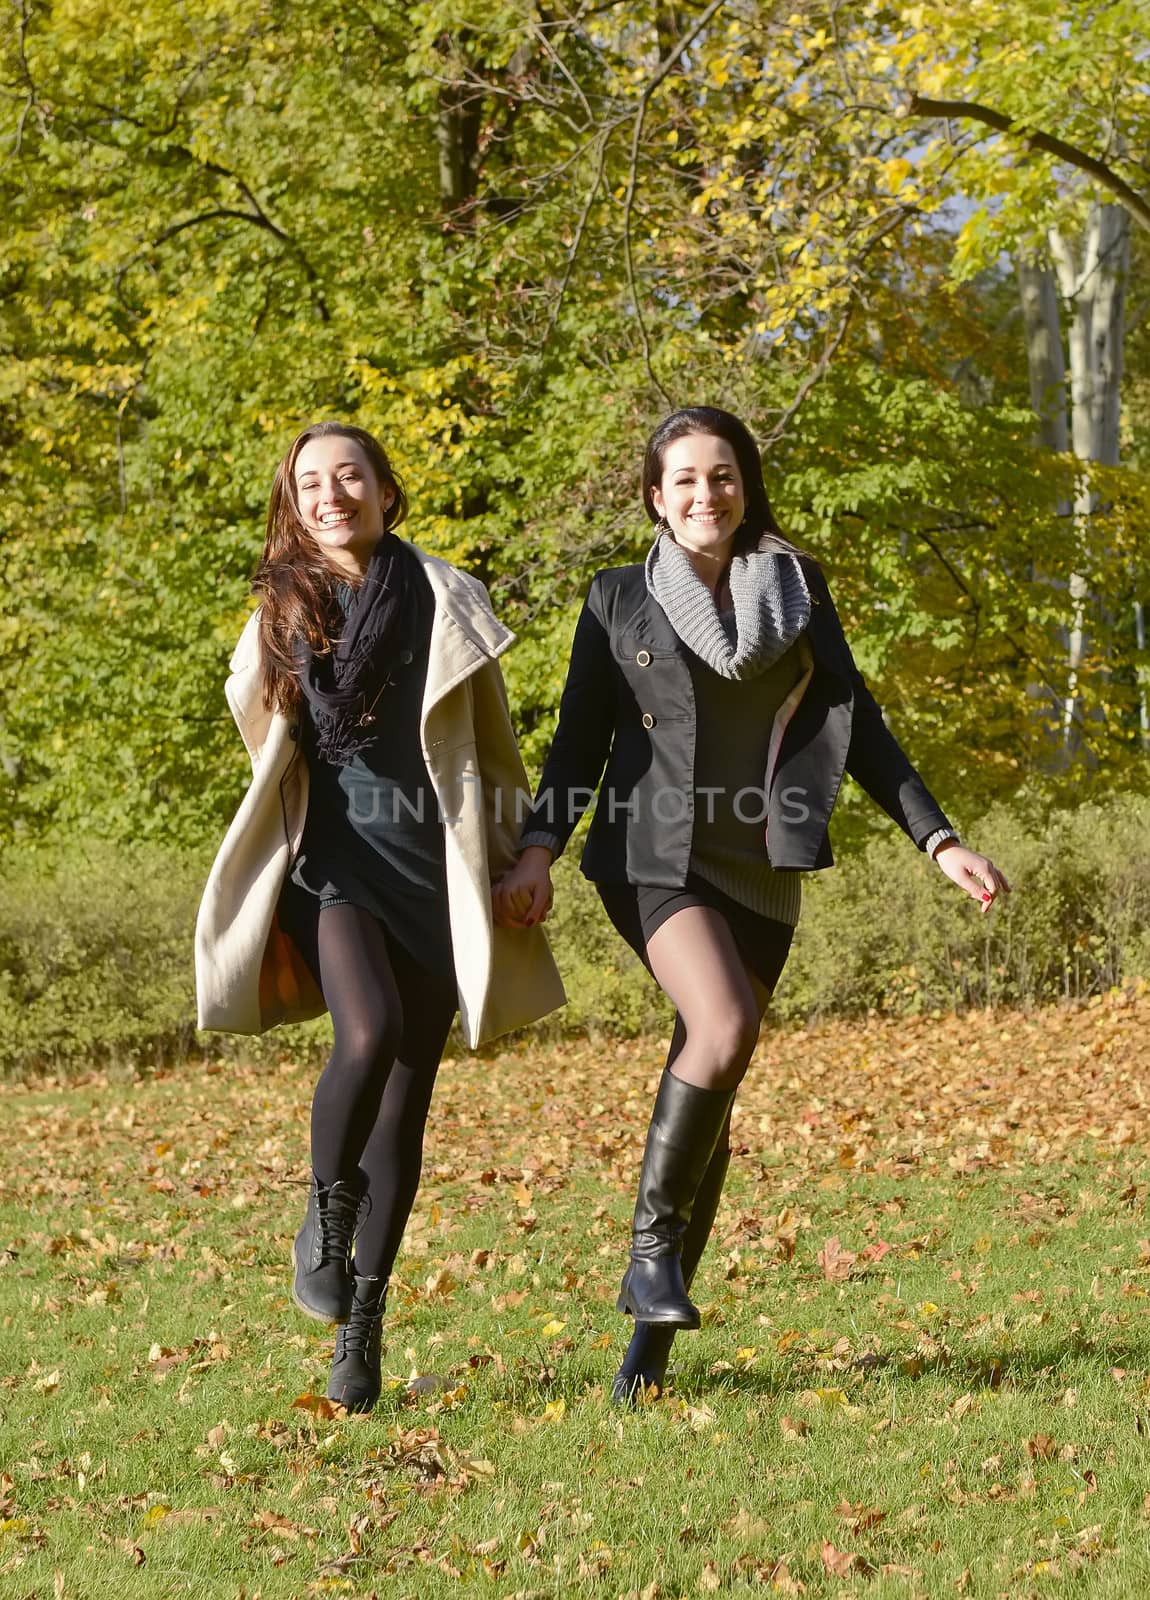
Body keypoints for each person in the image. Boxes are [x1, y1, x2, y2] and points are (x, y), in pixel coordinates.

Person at [493, 405, 1009, 1403]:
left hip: (763, 866)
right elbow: (579, 744)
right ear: (655, 495)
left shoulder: (798, 591)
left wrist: (937, 838)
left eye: (721, 475)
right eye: (683, 478)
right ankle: (649, 1255)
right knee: (721, 1028)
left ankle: (645, 1360)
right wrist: (539, 851)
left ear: (745, 486)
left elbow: (863, 729)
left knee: (715, 1086)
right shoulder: (615, 601)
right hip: (653, 859)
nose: (704, 494)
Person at [195, 421, 565, 1413]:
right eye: (309, 481)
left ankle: (362, 1325)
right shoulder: (283, 610)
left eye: (348, 475)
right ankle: (325, 1212)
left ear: (386, 491)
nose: (330, 494)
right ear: (295, 500)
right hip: (332, 867)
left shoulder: (446, 595)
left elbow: (491, 745)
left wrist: (520, 853)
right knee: (366, 1033)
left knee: (404, 1109)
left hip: (436, 874)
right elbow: (262, 740)